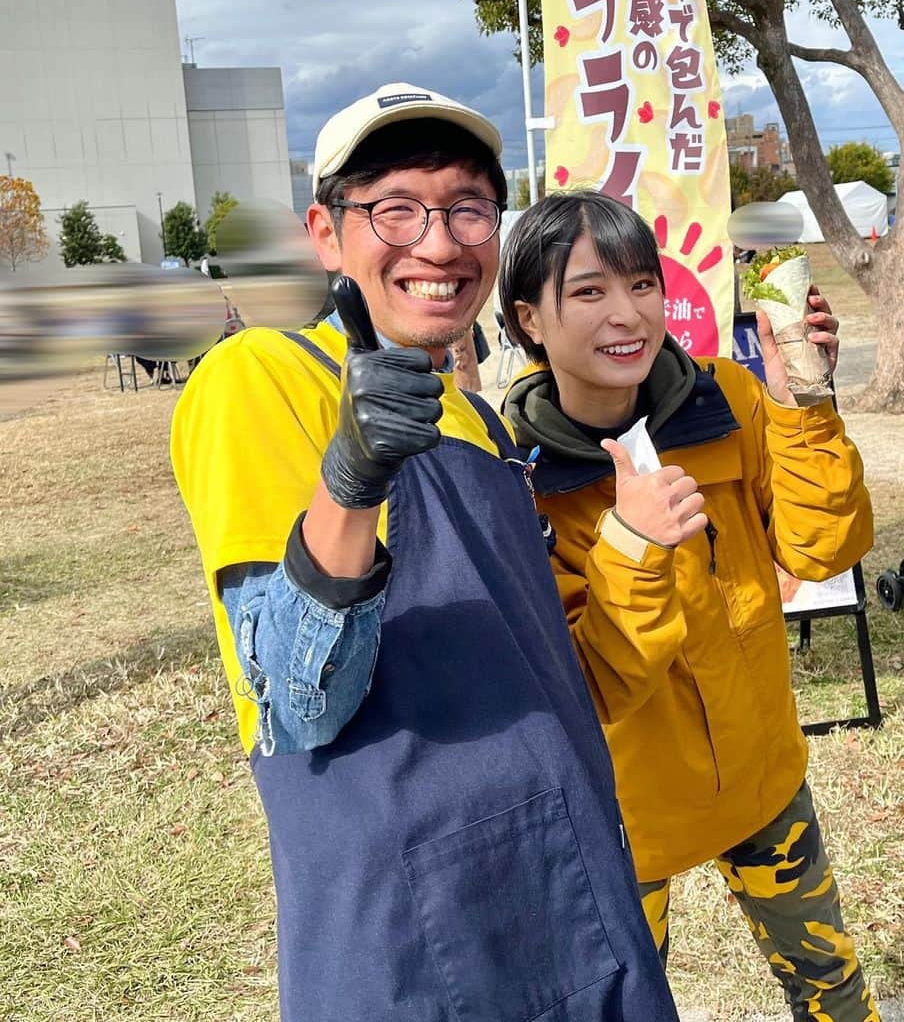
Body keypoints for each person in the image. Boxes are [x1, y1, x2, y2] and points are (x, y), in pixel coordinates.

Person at [170, 85, 678, 1022]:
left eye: (467, 208)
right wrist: (354, 475)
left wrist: (637, 548)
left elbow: (565, 678)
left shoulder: (480, 421)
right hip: (409, 927)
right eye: (395, 207)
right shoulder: (260, 377)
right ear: (326, 231)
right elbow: (296, 694)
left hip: (572, 887)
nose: (439, 243)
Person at [499, 191, 879, 1022]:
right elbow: (595, 681)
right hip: (625, 823)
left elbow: (825, 549)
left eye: (641, 284)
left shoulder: (728, 399)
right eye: (589, 290)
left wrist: (801, 402)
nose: (627, 313)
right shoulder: (513, 476)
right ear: (531, 317)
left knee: (834, 995)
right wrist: (631, 545)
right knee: (623, 1010)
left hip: (763, 782)